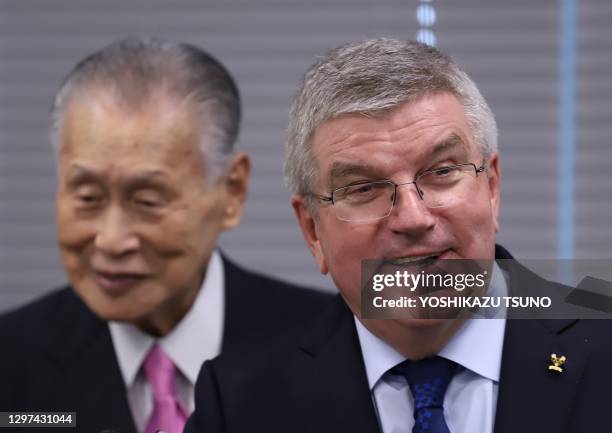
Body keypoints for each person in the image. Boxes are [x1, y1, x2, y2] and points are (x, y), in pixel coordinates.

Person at [185, 39, 612, 433]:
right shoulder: (239, 404)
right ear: (312, 230)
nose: (412, 218)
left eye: (442, 171)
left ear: (493, 188)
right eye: (363, 189)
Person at [0, 37, 331, 433]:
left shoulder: (327, 345)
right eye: (87, 197)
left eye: (148, 201)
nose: (111, 240)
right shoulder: (11, 359)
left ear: (232, 190)